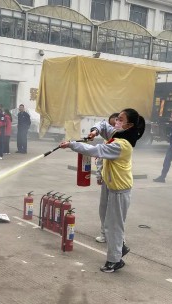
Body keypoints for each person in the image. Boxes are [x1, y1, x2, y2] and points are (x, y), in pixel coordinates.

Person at [60, 108, 145, 273]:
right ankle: (121, 247)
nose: (116, 122)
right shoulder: (118, 134)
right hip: (112, 186)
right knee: (108, 220)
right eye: (117, 118)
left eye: (120, 119)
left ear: (129, 125)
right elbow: (103, 125)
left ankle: (114, 260)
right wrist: (94, 131)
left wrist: (71, 144)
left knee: (115, 226)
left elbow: (94, 150)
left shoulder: (122, 144)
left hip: (120, 190)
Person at [90, 112, 119, 243]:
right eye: (111, 124)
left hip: (118, 182)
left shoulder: (122, 142)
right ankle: (104, 233)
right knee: (104, 208)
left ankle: (118, 237)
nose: (113, 127)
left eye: (115, 124)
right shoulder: (106, 140)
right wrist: (99, 174)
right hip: (106, 179)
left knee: (116, 211)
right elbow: (100, 159)